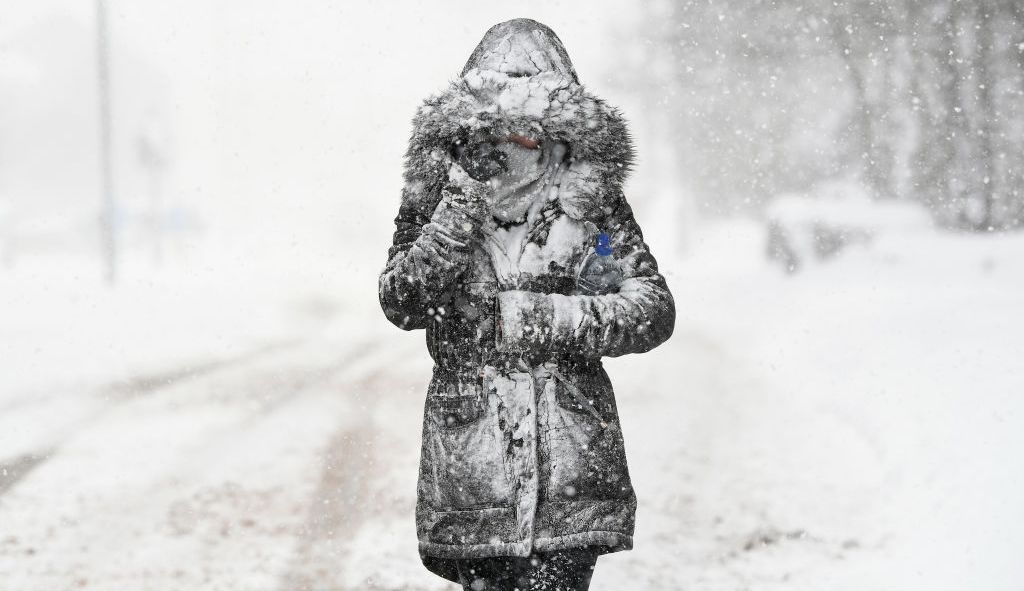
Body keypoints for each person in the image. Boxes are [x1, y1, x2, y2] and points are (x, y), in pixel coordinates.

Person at [378, 18, 675, 590]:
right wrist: (458, 207)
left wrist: (541, 320)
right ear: (475, 121)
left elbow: (650, 308)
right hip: (474, 470)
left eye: (538, 122)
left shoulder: (590, 201)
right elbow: (402, 301)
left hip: (572, 464)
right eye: (506, 122)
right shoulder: (440, 192)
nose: (522, 137)